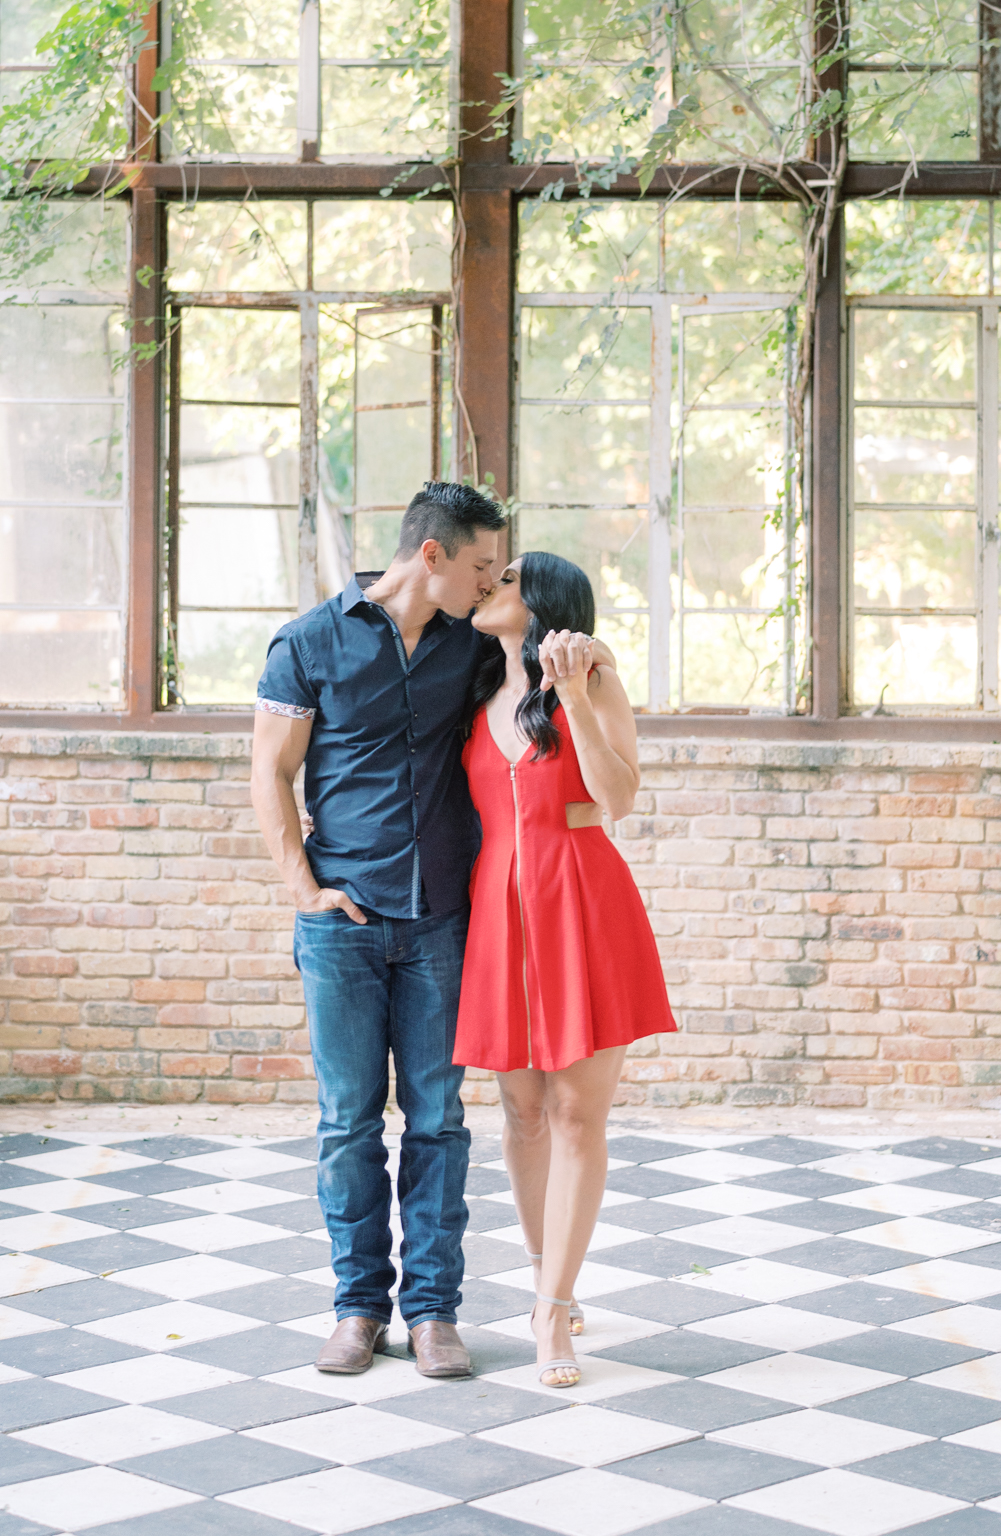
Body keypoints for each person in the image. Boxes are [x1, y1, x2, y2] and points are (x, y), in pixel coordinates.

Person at [250, 484, 610, 1383]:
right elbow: (271, 769)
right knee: (346, 1123)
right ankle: (357, 1307)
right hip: (345, 921)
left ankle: (434, 1312)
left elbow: (554, 687)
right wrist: (304, 890)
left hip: (445, 919)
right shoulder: (309, 642)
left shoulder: (472, 648)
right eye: (485, 563)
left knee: (442, 1121)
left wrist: (592, 652)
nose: (495, 579)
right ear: (436, 556)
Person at [455, 553, 676, 1389]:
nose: (487, 585)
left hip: (582, 904)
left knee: (578, 1113)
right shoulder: (472, 689)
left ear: (540, 601)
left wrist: (580, 694)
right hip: (497, 916)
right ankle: (549, 1264)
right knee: (521, 1110)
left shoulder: (589, 682)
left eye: (504, 577)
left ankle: (552, 1308)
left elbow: (617, 796)